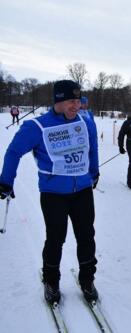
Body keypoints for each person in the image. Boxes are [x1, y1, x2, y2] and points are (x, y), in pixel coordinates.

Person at [0, 80, 100, 304]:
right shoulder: (37, 127)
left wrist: (94, 172)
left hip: (83, 190)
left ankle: (87, 279)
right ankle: (51, 281)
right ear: (58, 101)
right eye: (71, 101)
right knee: (56, 238)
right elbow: (14, 151)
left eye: (78, 100)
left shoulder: (86, 122)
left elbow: (92, 147)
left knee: (86, 236)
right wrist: (6, 181)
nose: (76, 105)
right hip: (54, 193)